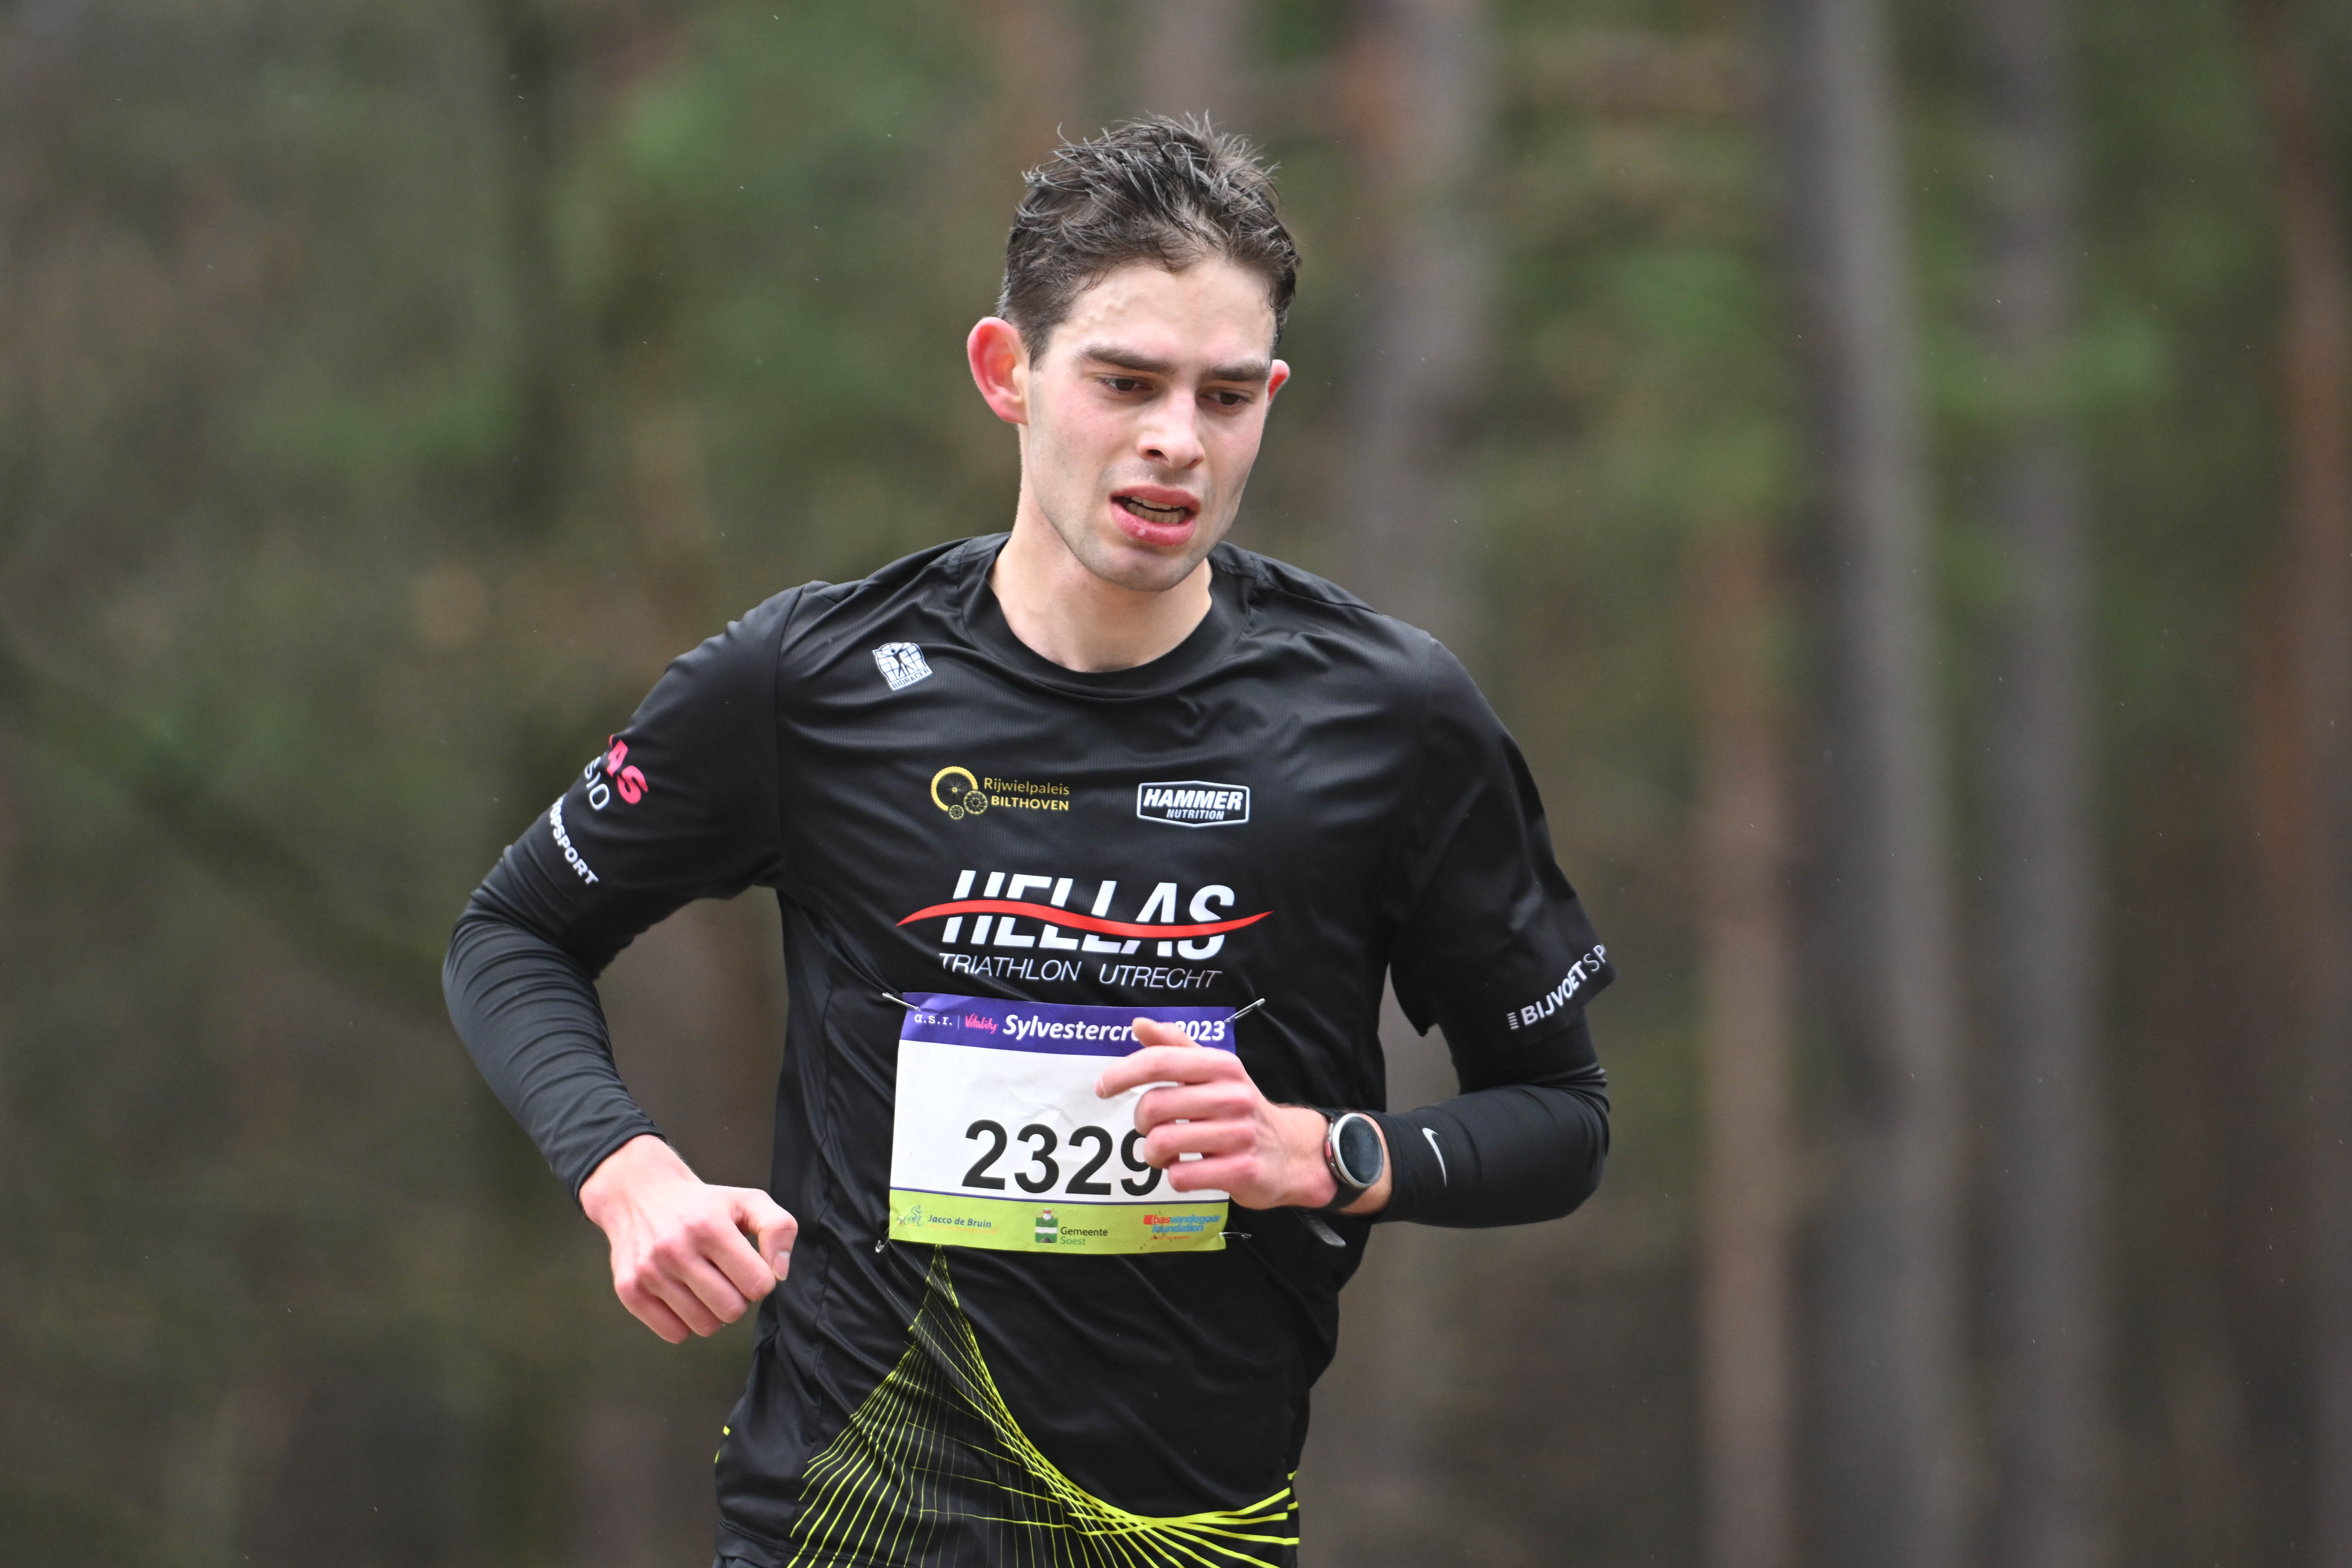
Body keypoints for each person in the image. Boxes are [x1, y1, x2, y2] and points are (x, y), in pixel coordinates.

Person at [444, 116, 1613, 1568]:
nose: (1176, 439)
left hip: (1185, 1536)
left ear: (1270, 400)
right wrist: (627, 1172)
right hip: (843, 1527)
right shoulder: (811, 682)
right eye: (1125, 382)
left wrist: (1330, 1150)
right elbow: (511, 932)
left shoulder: (1393, 718)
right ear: (1007, 371)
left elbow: (1561, 1119)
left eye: (1225, 395)